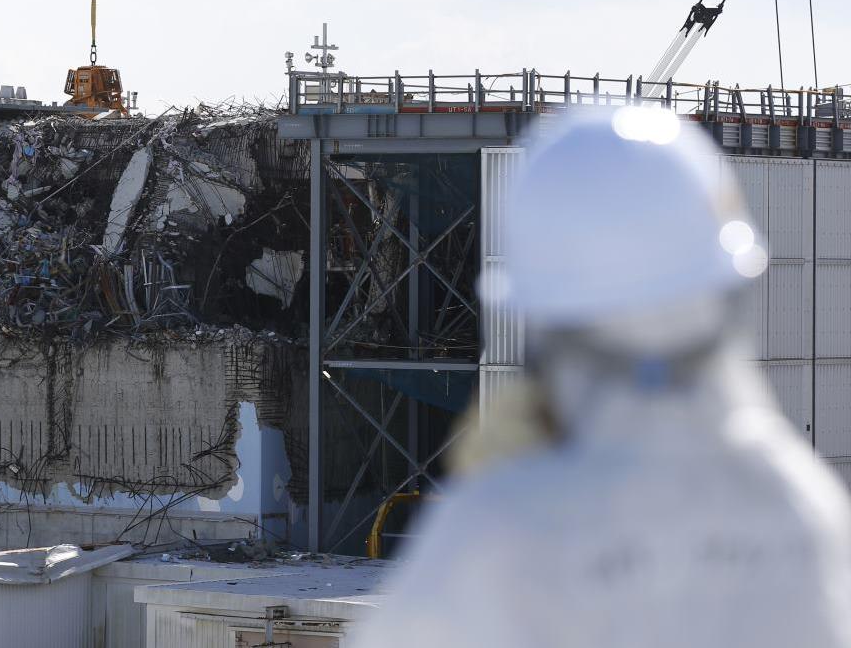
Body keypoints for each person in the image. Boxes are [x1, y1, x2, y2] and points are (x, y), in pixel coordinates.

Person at [348, 107, 851, 647]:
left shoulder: (495, 534)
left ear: (542, 317)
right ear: (727, 294)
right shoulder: (800, 508)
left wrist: (487, 491)